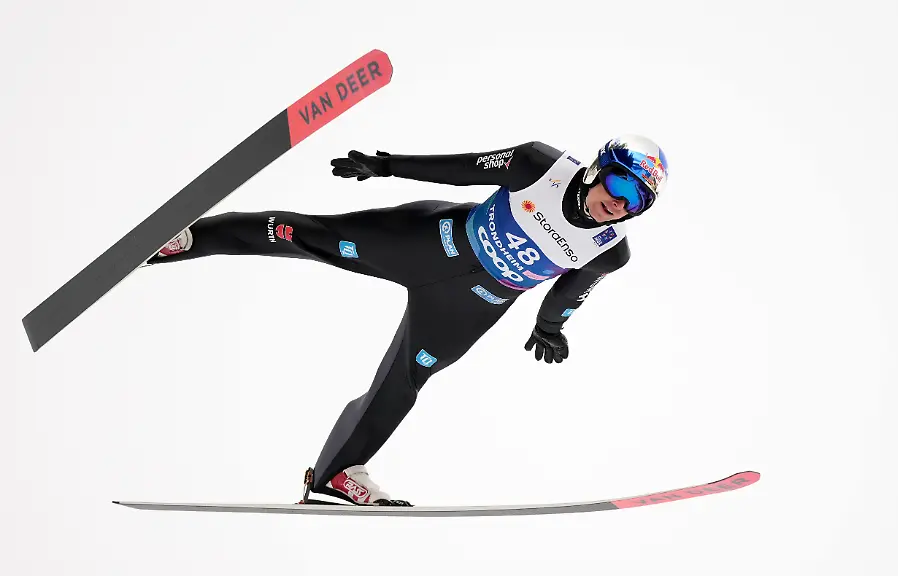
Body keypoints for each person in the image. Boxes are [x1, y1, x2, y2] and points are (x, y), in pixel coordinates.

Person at [146, 134, 670, 506]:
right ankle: (192, 238)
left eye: (635, 205)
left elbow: (570, 293)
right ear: (599, 167)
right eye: (619, 188)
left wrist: (550, 328)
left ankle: (334, 476)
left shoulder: (608, 252)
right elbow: (465, 165)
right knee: (311, 235)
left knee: (404, 381)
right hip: (429, 242)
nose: (618, 207)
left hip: (472, 303)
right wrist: (387, 166)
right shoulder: (540, 166)